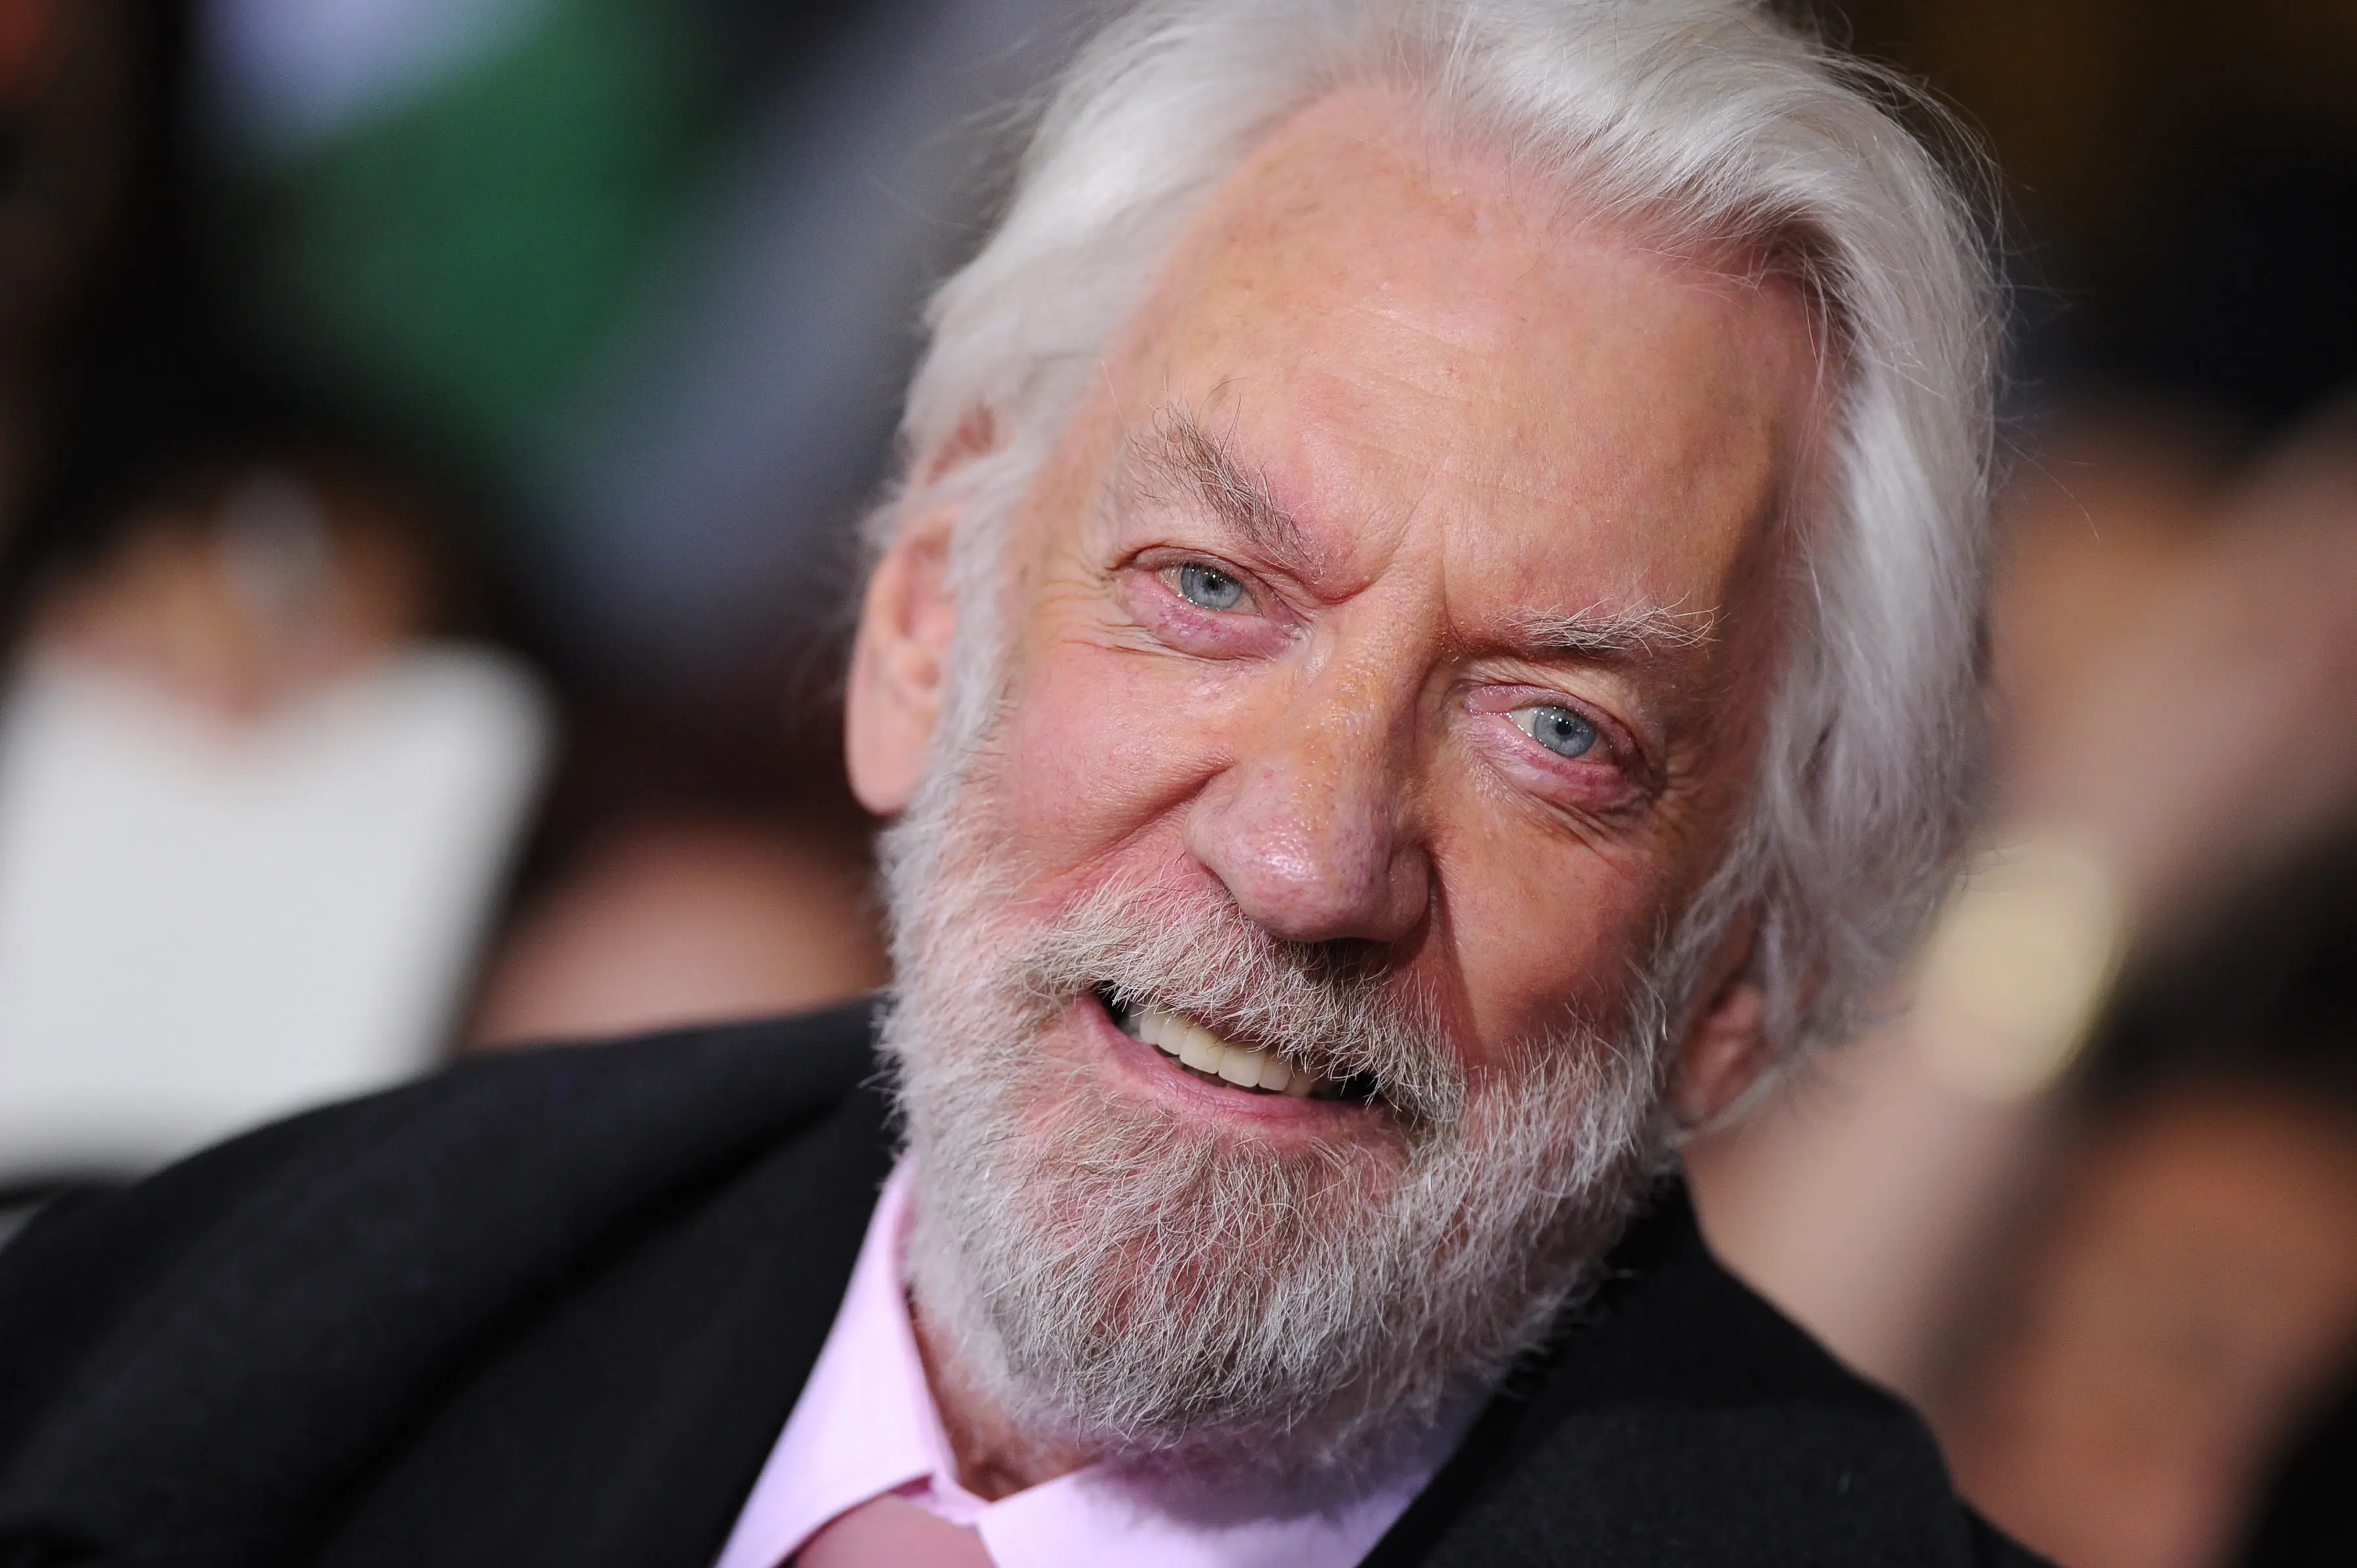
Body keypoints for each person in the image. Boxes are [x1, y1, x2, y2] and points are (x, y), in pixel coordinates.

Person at [0, 3, 2035, 1564]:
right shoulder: (200, 1353)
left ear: (1745, 964)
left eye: (1556, 728)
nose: (1310, 853)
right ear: (919, 624)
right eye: (1212, 588)